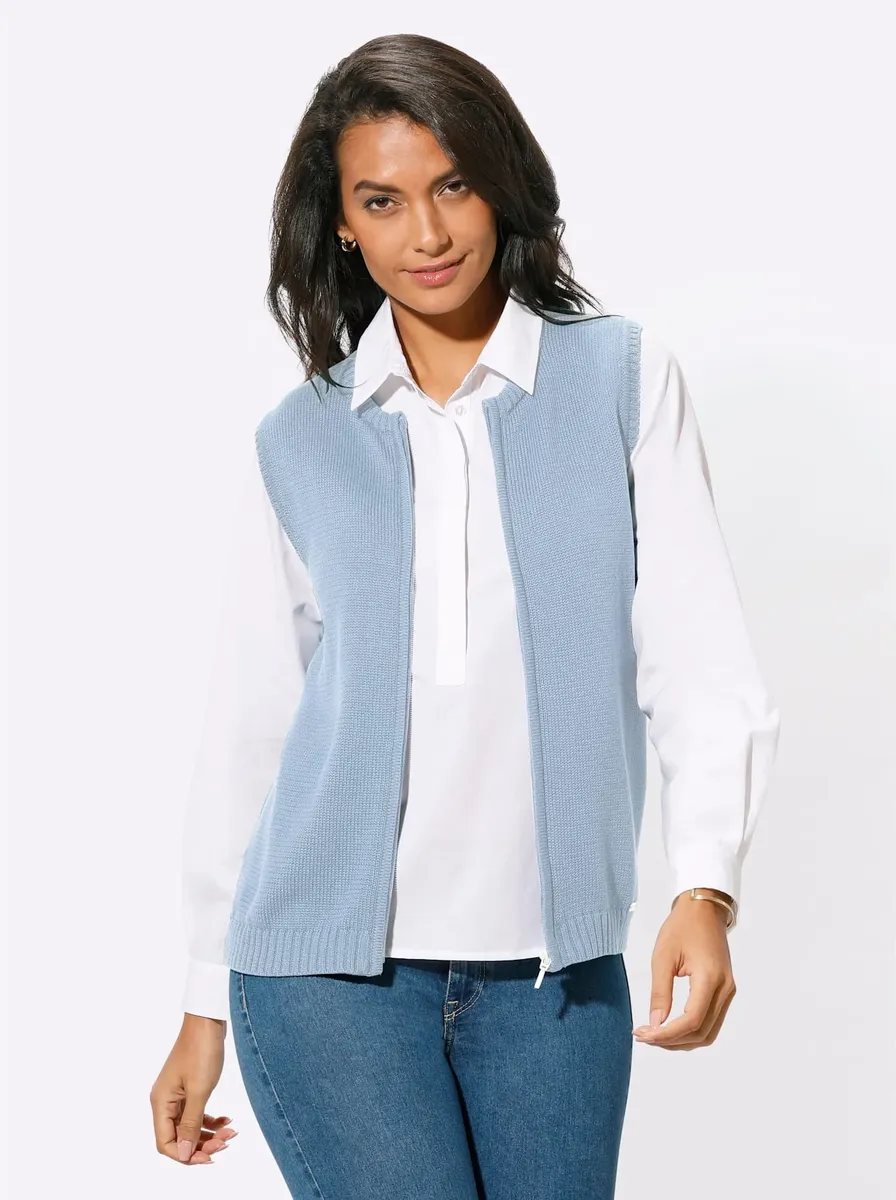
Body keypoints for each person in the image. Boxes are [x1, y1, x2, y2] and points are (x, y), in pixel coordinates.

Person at [149, 31, 781, 1198]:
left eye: (451, 186)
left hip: (555, 980)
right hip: (324, 981)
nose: (427, 235)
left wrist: (704, 887)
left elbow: (695, 657)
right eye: (381, 201)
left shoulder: (619, 381)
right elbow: (252, 725)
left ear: (500, 183)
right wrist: (201, 998)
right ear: (342, 223)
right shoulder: (302, 439)